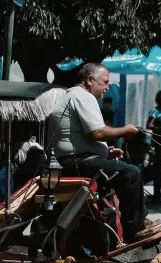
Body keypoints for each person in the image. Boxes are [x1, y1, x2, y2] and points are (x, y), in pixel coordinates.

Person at [46, 63, 155, 243]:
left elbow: (82, 137)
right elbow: (97, 133)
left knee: (124, 172)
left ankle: (129, 223)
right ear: (89, 80)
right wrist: (126, 130)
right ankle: (135, 229)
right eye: (104, 83)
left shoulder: (73, 97)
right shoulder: (82, 97)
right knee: (131, 174)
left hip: (73, 160)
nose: (106, 88)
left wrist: (105, 152)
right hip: (75, 163)